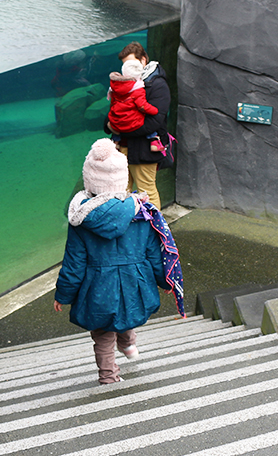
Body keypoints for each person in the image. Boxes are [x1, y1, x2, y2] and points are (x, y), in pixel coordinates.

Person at [53, 138, 172, 385]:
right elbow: (154, 253)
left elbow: (74, 263)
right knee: (126, 312)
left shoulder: (81, 219)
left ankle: (108, 378)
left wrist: (63, 295)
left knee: (102, 334)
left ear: (89, 180)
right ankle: (128, 344)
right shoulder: (142, 213)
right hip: (134, 283)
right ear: (122, 178)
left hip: (97, 287)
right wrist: (166, 280)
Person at [105, 41, 171, 209]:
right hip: (122, 148)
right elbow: (113, 113)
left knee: (146, 191)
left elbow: (156, 121)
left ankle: (156, 232)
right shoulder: (124, 85)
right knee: (120, 191)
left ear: (143, 60)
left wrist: (119, 128)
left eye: (131, 63)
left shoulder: (157, 84)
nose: (127, 68)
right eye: (124, 65)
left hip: (145, 149)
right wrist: (109, 125)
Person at [107, 59, 164, 153]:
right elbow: (142, 106)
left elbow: (112, 104)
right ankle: (153, 141)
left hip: (116, 122)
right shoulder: (137, 89)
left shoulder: (115, 86)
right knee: (145, 117)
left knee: (117, 122)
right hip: (132, 124)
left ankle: (115, 142)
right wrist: (154, 110)